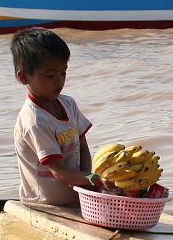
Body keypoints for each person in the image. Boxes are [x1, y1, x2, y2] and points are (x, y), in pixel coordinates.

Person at [11, 27, 107, 206]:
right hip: (45, 204)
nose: (59, 80)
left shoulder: (68, 104)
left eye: (63, 72)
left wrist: (88, 181)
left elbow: (83, 148)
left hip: (75, 198)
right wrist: (96, 180)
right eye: (50, 75)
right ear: (24, 77)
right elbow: (60, 171)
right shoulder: (35, 120)